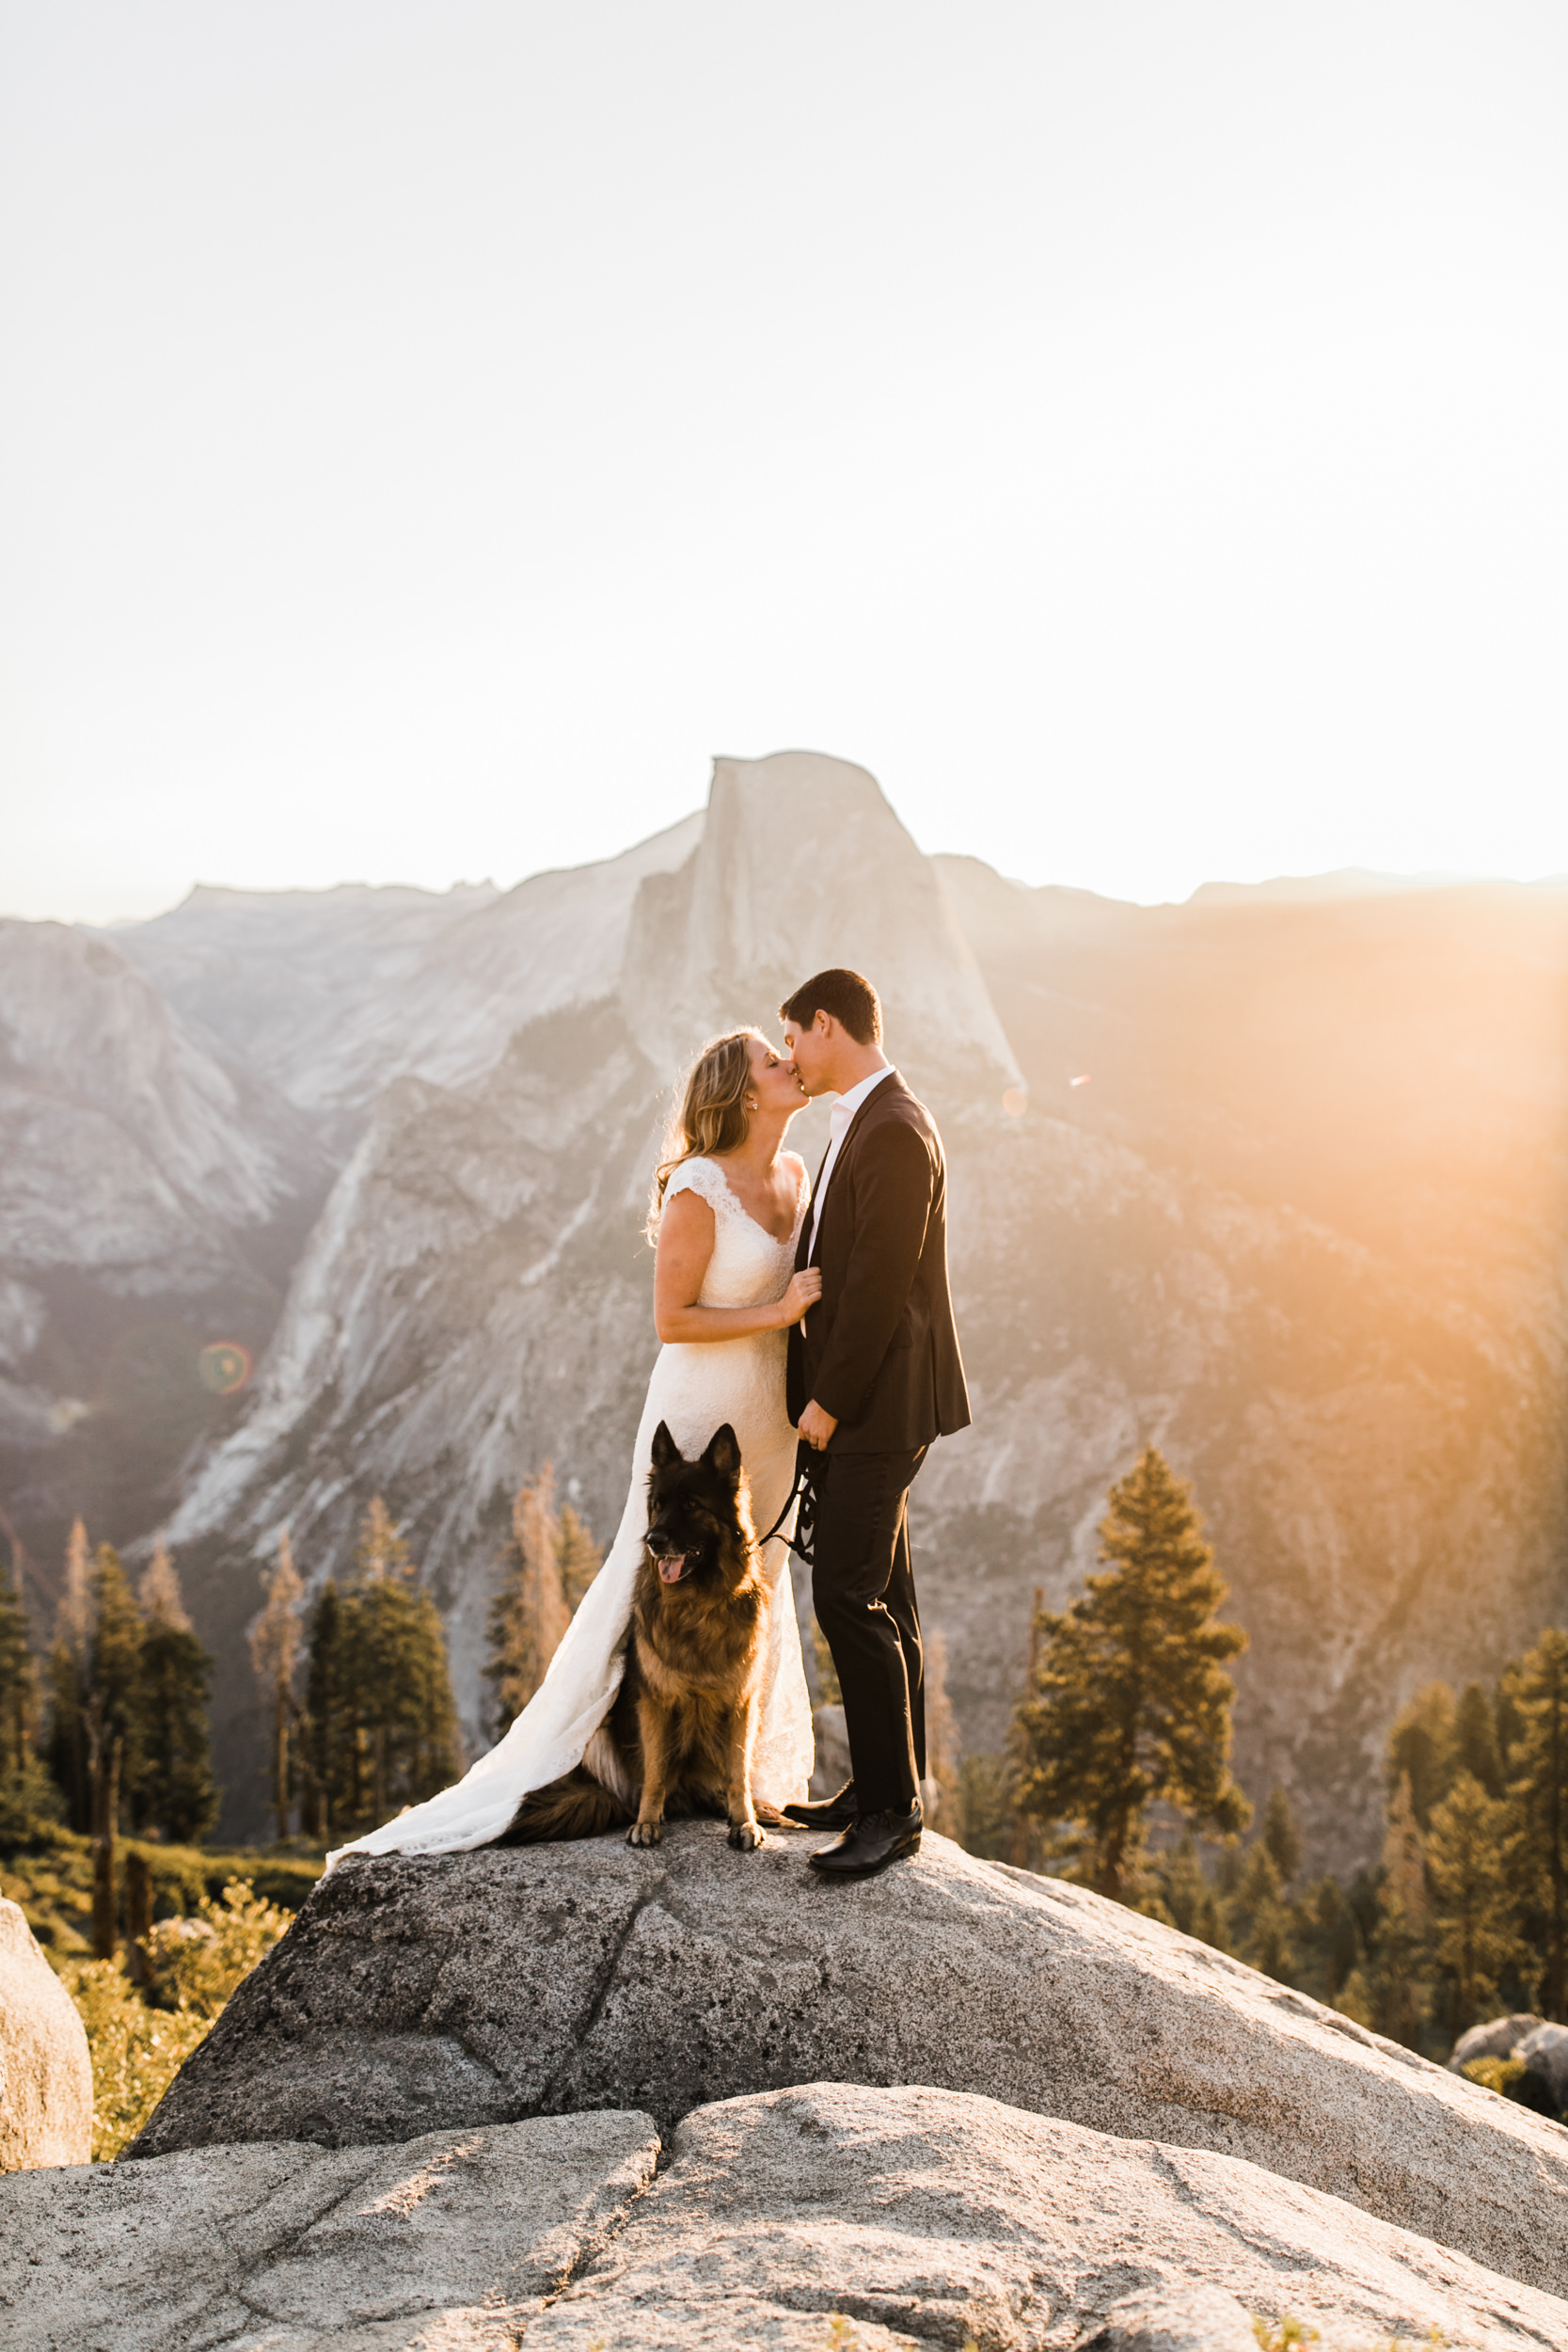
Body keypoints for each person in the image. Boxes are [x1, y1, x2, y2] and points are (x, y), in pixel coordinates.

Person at [325, 1027, 818, 1870]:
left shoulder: (795, 1172)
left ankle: (730, 1782)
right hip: (700, 1407)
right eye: (774, 1061)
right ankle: (617, 1763)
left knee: (753, 1583)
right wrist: (777, 1313)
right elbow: (672, 1320)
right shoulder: (699, 1189)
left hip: (769, 1419)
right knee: (659, 1580)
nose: (790, 1064)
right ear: (742, 1091)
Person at [779, 968, 971, 1881]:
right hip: (878, 1401)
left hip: (879, 1404)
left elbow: (878, 1291)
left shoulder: (891, 1128)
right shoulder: (868, 1118)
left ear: (827, 1025)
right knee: (885, 1594)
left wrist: (827, 1400)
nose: (789, 1059)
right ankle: (883, 1785)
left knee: (843, 1596)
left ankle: (891, 1812)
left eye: (794, 1039)